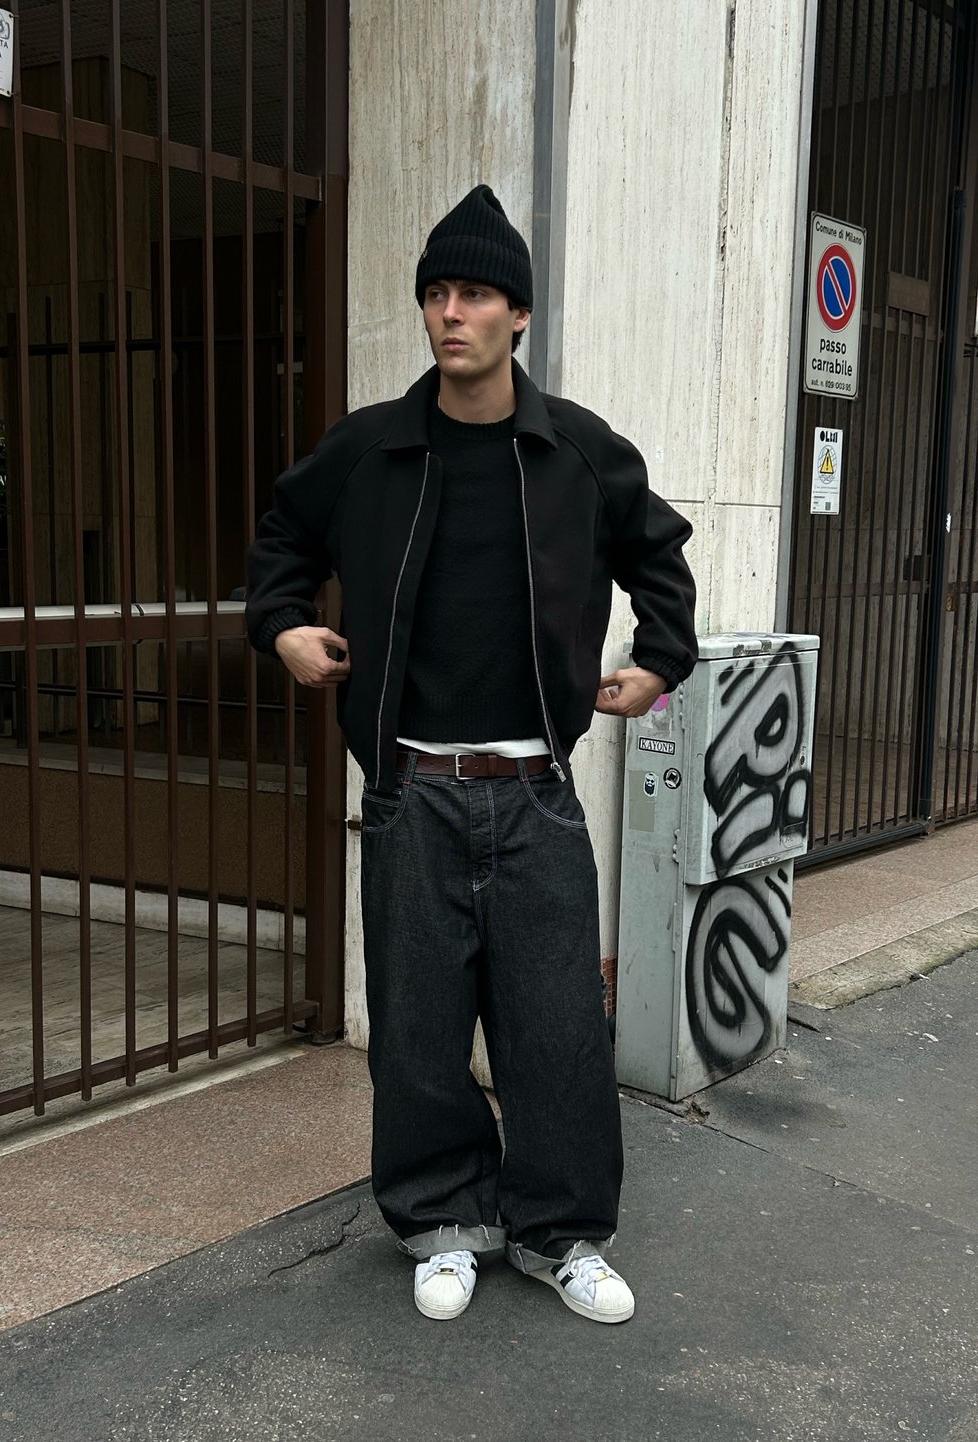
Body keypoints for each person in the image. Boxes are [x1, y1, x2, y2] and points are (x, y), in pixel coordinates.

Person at [246, 185, 698, 1324]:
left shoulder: (575, 451)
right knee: (418, 1027)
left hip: (534, 790)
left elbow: (661, 559)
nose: (452, 314)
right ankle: (446, 1218)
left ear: (519, 316)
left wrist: (660, 659)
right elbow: (281, 536)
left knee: (553, 1026)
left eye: (476, 295)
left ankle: (558, 1231)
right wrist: (283, 624)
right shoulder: (371, 446)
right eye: (437, 294)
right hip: (411, 788)